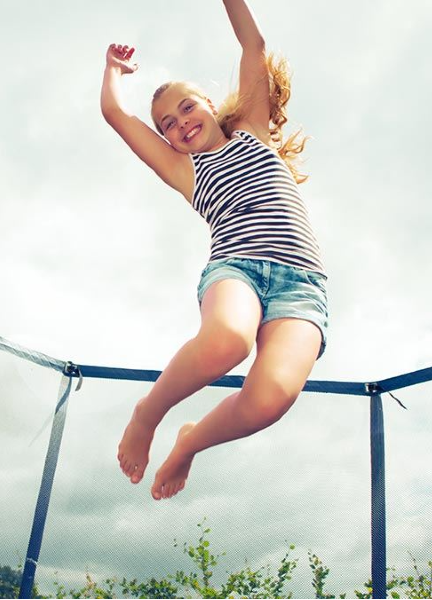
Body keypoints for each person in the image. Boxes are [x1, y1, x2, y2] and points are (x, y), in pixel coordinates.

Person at [100, 0, 329, 501]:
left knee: (271, 398)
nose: (180, 123)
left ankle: (190, 442)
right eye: (166, 124)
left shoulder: (252, 130)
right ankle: (148, 413)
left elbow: (254, 46)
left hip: (303, 287)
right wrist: (113, 70)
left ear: (210, 103)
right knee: (228, 339)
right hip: (236, 269)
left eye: (187, 107)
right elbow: (117, 114)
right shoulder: (185, 170)